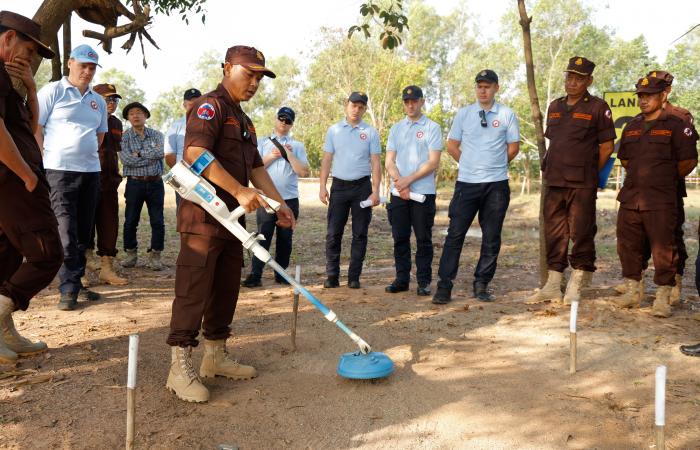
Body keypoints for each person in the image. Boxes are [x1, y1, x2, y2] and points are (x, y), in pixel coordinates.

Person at [166, 46, 295, 403]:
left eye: (259, 77)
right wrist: (238, 189)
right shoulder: (209, 107)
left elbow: (256, 169)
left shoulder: (246, 120)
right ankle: (179, 366)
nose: (254, 82)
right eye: (248, 73)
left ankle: (215, 356)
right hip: (203, 218)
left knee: (226, 288)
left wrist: (280, 205)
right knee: (194, 289)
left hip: (232, 222)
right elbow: (194, 153)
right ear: (227, 68)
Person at [526, 57, 616, 305]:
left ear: (589, 81)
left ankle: (576, 283)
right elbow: (556, 142)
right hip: (554, 181)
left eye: (578, 78)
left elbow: (607, 147)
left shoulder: (598, 107)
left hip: (581, 183)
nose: (572, 82)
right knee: (555, 232)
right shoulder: (555, 106)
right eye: (569, 77)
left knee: (581, 231)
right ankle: (553, 284)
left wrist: (588, 171)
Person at [0, 11, 63, 362]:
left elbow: (28, 128)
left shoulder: (11, 81)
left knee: (6, 257)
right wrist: (26, 175)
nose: (30, 58)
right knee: (47, 253)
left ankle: (5, 335)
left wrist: (32, 90)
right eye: (27, 48)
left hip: (14, 181)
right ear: (7, 38)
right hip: (13, 182)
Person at [432, 70, 520, 305]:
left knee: (491, 237)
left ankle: (481, 283)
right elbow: (452, 145)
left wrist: (494, 166)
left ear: (496, 88)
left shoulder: (507, 114)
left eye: (488, 86)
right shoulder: (464, 114)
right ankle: (444, 285)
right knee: (455, 235)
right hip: (467, 185)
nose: (483, 90)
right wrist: (471, 164)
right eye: (479, 86)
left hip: (496, 186)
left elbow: (513, 147)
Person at [613, 76, 697, 318]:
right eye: (640, 95)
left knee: (664, 248)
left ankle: (662, 296)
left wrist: (662, 179)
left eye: (649, 95)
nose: (643, 99)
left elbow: (688, 161)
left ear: (663, 96)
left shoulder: (677, 124)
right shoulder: (632, 126)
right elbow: (626, 159)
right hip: (632, 196)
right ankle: (633, 290)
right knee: (627, 244)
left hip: (661, 198)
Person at [35, 44, 108, 311]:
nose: (87, 72)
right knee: (64, 230)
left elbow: (100, 135)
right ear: (70, 63)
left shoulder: (97, 100)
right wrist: (46, 156)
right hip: (58, 171)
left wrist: (84, 151)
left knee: (83, 233)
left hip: (90, 172)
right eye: (83, 66)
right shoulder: (52, 91)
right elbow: (36, 126)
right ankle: (67, 289)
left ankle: (75, 283)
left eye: (92, 68)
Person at [241, 106, 309, 287]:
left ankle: (281, 274)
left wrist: (289, 154)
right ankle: (256, 274)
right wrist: (271, 156)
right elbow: (253, 168)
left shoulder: (297, 146)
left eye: (288, 121)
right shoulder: (262, 142)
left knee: (285, 239)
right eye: (281, 119)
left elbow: (303, 172)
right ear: (276, 119)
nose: (284, 123)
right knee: (263, 236)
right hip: (267, 199)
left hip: (290, 199)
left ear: (292, 124)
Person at [319, 91, 381, 289]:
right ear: (347, 105)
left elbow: (376, 162)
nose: (357, 109)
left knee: (360, 233)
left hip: (362, 187)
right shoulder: (334, 130)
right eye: (354, 105)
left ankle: (354, 277)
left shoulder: (370, 132)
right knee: (333, 233)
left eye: (361, 107)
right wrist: (322, 186)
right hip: (339, 187)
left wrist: (376, 190)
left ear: (364, 109)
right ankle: (332, 276)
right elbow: (327, 159)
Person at [384, 85, 442, 296]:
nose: (410, 105)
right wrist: (400, 182)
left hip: (423, 193)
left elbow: (433, 162)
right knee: (400, 237)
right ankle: (401, 279)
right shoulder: (396, 128)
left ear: (422, 101)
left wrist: (408, 181)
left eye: (414, 101)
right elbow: (389, 161)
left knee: (423, 239)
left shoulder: (432, 128)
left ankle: (424, 282)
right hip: (399, 193)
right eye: (407, 102)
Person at [84, 83, 128, 286]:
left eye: (114, 100)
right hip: (88, 179)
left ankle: (107, 268)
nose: (111, 103)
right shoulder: (86, 117)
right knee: (83, 225)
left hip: (110, 183)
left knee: (109, 224)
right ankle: (81, 268)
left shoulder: (117, 123)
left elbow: (114, 152)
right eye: (107, 99)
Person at [119, 102, 165, 270]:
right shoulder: (124, 137)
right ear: (128, 118)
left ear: (146, 116)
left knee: (158, 221)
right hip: (134, 183)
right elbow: (126, 160)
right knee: (131, 220)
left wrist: (138, 153)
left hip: (155, 183)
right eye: (131, 113)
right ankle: (131, 254)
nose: (136, 116)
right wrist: (148, 156)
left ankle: (155, 255)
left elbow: (161, 153)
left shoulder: (157, 134)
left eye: (139, 112)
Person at [164, 88, 201, 208]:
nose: (194, 105)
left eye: (198, 101)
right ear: (184, 104)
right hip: (182, 177)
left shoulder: (210, 123)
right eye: (191, 102)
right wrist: (181, 172)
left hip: (206, 177)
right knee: (183, 211)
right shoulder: (176, 125)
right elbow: (169, 155)